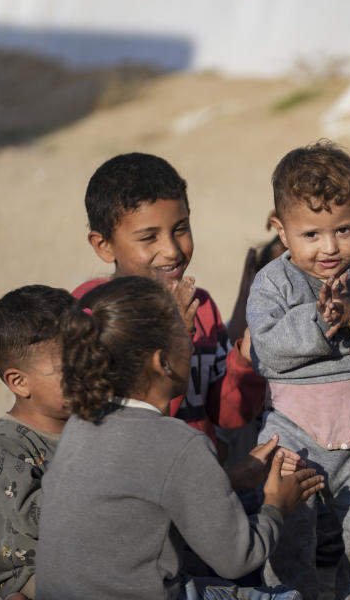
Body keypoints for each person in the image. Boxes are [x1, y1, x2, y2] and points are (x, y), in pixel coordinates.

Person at [36, 276, 325, 600]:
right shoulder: (181, 443)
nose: (192, 343)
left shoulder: (81, 422)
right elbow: (237, 557)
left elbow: (145, 495)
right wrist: (276, 505)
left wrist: (231, 479)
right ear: (163, 363)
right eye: (186, 335)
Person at [247, 140, 350, 600]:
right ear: (282, 231)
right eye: (311, 235)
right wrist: (320, 321)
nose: (330, 248)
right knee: (290, 534)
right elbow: (266, 351)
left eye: (344, 230)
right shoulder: (273, 282)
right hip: (291, 432)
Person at [73, 152, 266, 460]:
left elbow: (229, 416)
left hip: (202, 477)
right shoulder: (94, 314)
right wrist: (176, 336)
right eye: (149, 237)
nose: (172, 250)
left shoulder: (199, 305)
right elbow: (135, 427)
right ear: (104, 245)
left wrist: (245, 359)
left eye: (180, 229)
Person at [0, 284, 75, 600]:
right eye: (70, 368)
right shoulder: (7, 447)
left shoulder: (88, 416)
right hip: (33, 570)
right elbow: (35, 519)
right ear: (19, 382)